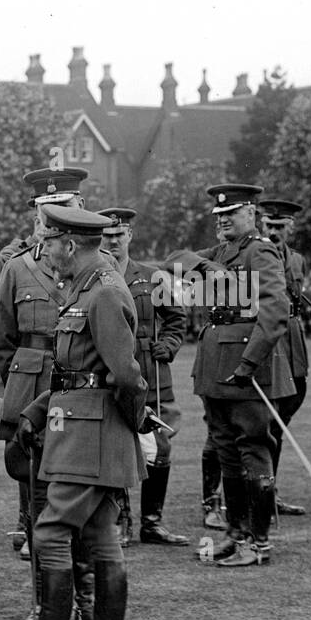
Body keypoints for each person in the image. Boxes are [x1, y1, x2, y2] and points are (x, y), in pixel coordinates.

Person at [7, 205, 150, 620]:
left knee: (49, 533)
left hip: (93, 433)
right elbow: (74, 372)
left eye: (49, 242)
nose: (44, 250)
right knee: (102, 535)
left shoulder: (104, 292)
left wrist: (135, 427)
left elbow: (125, 373)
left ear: (70, 245)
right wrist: (37, 409)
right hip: (82, 427)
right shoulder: (84, 289)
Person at [0, 168, 96, 620]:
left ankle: (86, 602)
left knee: (85, 505)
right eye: (46, 212)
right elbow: (2, 342)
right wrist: (23, 387)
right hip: (32, 394)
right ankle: (43, 602)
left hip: (83, 399)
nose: (55, 219)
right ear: (36, 216)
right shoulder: (16, 269)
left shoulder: (99, 268)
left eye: (67, 209)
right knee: (37, 504)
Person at [178, 183, 292, 568]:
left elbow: (274, 311)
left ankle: (258, 542)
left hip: (246, 369)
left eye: (232, 214)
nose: (223, 220)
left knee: (253, 451)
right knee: (227, 452)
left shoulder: (260, 250)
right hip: (215, 365)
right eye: (219, 216)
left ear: (252, 215)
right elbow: (175, 260)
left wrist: (249, 363)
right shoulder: (224, 252)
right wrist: (210, 267)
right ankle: (236, 532)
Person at [98, 208, 188, 546]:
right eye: (107, 237)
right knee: (118, 445)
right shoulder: (98, 277)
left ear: (130, 236)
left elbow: (177, 318)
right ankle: (122, 521)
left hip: (152, 373)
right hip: (115, 374)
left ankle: (153, 522)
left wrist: (167, 344)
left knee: (159, 446)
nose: (114, 242)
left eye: (119, 236)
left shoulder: (153, 277)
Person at [258, 198, 309, 516]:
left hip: (293, 341)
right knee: (262, 420)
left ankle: (269, 491)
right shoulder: (255, 256)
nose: (274, 232)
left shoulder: (298, 260)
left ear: (291, 227)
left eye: (280, 226)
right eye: (270, 226)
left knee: (288, 407)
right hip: (267, 339)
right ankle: (255, 492)